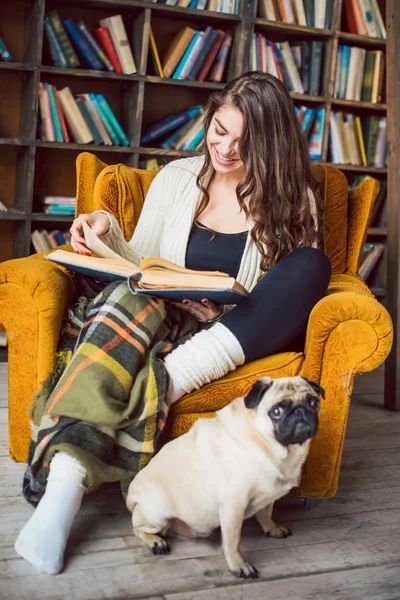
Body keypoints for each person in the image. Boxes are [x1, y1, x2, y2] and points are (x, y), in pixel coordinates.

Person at [15, 71, 331, 574]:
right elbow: (143, 264)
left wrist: (224, 311)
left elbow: (282, 301)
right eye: (219, 130)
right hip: (154, 315)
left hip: (225, 334)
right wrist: (104, 232)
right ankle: (63, 493)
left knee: (312, 265)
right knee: (130, 298)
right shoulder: (178, 178)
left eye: (244, 142)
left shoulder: (294, 202)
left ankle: (157, 389)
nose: (225, 149)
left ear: (272, 147)